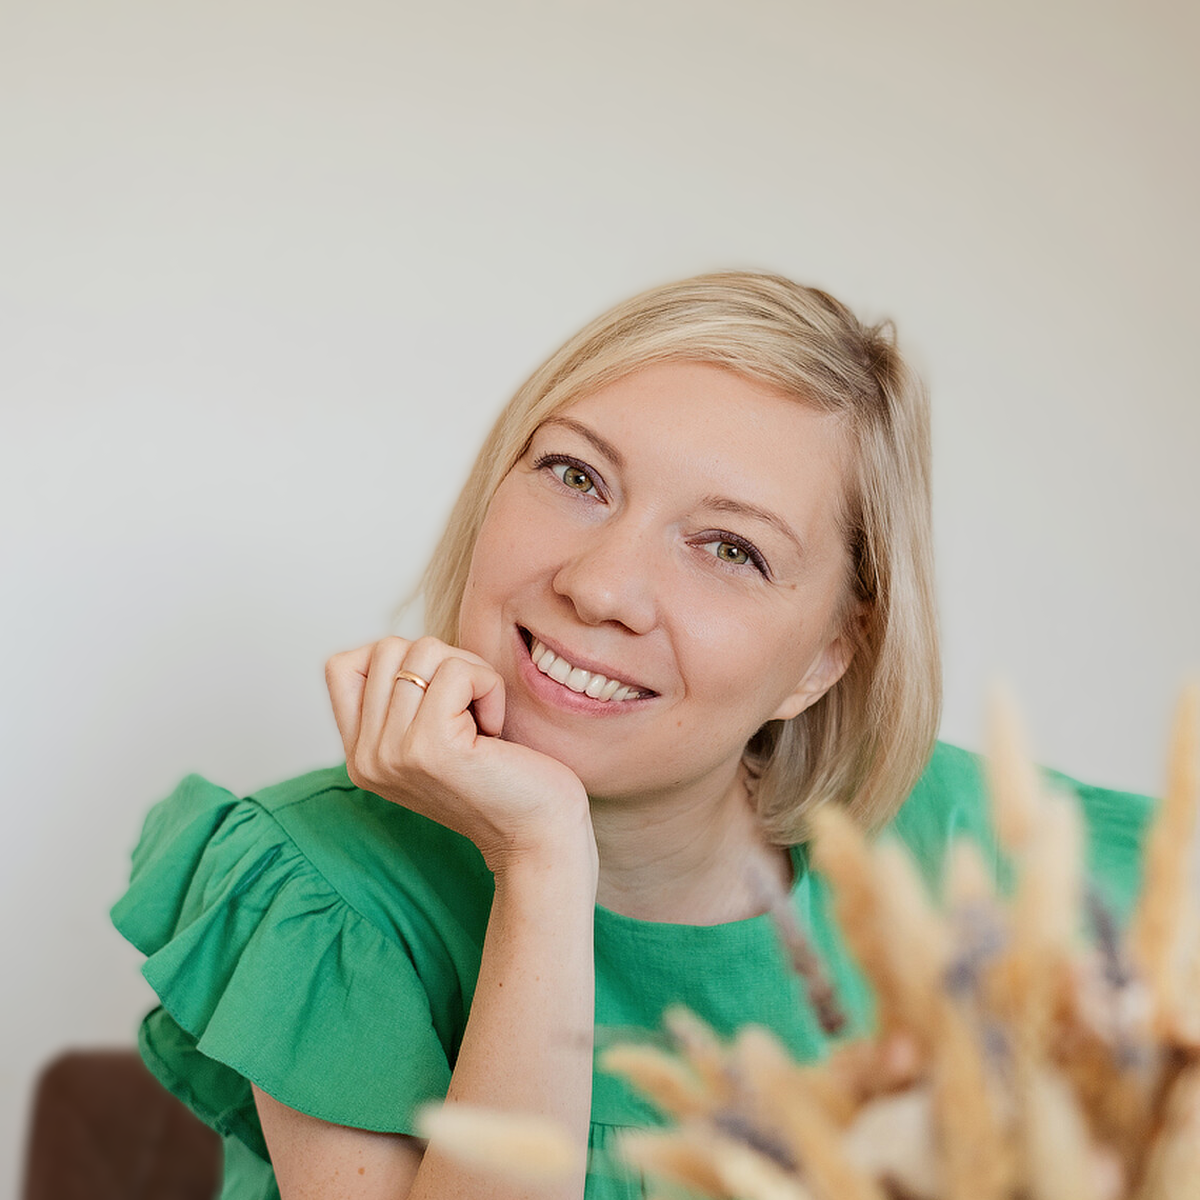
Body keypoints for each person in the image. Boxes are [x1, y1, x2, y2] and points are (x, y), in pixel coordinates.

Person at [112, 272, 1150, 1200]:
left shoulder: (994, 866)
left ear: (826, 658)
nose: (601, 586)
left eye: (730, 549)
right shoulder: (321, 890)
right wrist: (543, 859)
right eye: (577, 477)